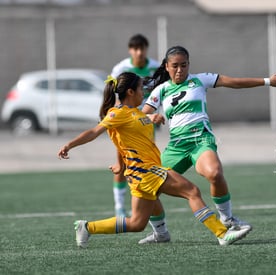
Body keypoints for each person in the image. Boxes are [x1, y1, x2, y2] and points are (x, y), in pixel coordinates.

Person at [57, 72, 251, 248]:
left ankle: (86, 227)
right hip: (146, 171)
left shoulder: (135, 112)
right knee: (192, 191)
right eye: (141, 89)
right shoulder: (117, 113)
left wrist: (151, 119)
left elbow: (132, 133)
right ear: (131, 91)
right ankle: (222, 233)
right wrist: (69, 145)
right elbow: (94, 132)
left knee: (137, 223)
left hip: (140, 174)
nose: (144, 93)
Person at [139, 45, 276, 244]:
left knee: (214, 173)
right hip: (176, 147)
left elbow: (233, 82)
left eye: (184, 65)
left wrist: (268, 81)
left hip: (201, 140)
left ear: (189, 64)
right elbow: (141, 115)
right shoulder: (161, 90)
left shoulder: (200, 79)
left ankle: (227, 219)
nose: (180, 70)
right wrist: (151, 117)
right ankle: (160, 233)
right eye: (175, 66)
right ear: (166, 67)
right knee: (147, 187)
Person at [110, 34, 160, 217]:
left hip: (146, 122)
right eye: (135, 48)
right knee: (123, 162)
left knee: (144, 162)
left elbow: (161, 92)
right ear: (130, 50)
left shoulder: (155, 67)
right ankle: (119, 206)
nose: (139, 52)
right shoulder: (121, 68)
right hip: (125, 123)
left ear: (146, 49)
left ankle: (139, 202)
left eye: (142, 48)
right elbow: (114, 96)